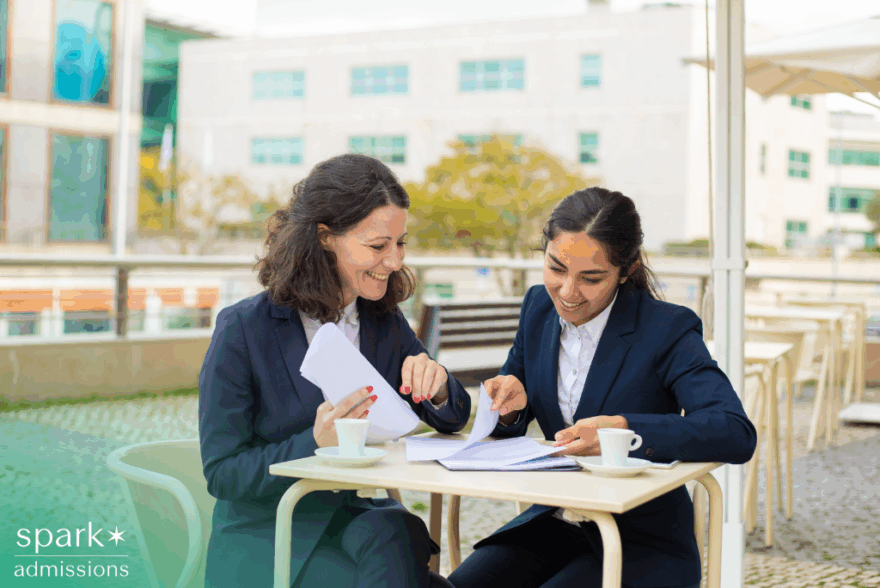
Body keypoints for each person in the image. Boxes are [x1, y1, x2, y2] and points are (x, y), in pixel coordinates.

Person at [448, 187, 757, 588]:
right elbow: (508, 424)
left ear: (625, 271)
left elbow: (734, 431)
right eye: (556, 268)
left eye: (590, 278)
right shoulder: (538, 308)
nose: (567, 292)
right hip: (552, 523)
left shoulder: (667, 329)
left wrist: (624, 432)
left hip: (643, 541)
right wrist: (509, 408)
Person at [198, 154, 470, 588]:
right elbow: (223, 474)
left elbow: (452, 416)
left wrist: (436, 387)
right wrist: (313, 443)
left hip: (356, 522)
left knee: (399, 527)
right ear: (326, 238)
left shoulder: (383, 320)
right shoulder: (244, 329)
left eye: (400, 243)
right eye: (378, 246)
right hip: (272, 536)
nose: (395, 261)